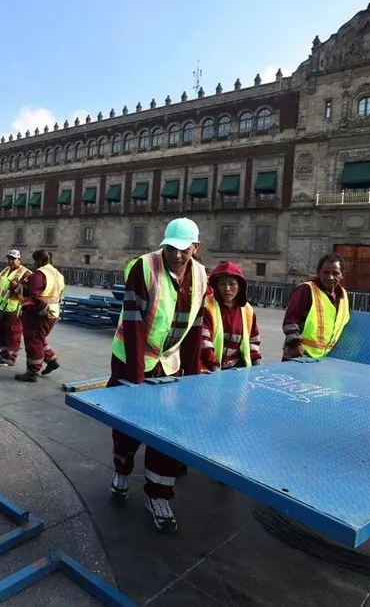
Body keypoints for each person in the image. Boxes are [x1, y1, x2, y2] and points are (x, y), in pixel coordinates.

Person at [107, 218, 209, 533]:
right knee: (128, 424)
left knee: (167, 430)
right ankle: (122, 471)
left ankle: (158, 494)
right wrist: (137, 378)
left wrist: (191, 376)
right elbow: (134, 321)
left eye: (184, 249)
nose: (177, 255)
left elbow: (196, 325)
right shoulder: (144, 268)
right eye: (171, 248)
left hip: (170, 362)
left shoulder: (201, 275)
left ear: (195, 248)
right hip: (132, 358)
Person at [282, 253, 351, 361]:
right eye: (326, 272)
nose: (330, 277)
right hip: (299, 356)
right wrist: (296, 345)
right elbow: (290, 321)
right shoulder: (305, 290)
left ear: (342, 274)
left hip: (325, 358)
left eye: (335, 273)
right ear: (319, 272)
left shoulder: (343, 296)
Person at [199, 261, 262, 371]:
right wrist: (213, 365)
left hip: (237, 366)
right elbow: (203, 340)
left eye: (232, 284)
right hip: (209, 367)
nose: (227, 288)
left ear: (239, 287)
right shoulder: (206, 306)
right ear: (216, 287)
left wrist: (256, 361)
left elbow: (253, 339)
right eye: (222, 284)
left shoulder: (247, 309)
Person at [13, 250, 65, 382]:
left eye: (35, 261)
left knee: (34, 341)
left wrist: (42, 307)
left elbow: (35, 295)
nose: (34, 264)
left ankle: (32, 372)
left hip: (39, 314)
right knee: (39, 338)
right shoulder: (58, 274)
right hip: (53, 312)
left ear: (39, 261)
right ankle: (51, 360)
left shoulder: (40, 274)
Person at [0, 250, 31, 367]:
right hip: (0, 306)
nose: (10, 261)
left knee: (13, 333)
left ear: (19, 260)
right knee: (2, 332)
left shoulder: (26, 273)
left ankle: (10, 358)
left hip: (14, 309)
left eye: (13, 259)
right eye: (9, 259)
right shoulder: (5, 271)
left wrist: (18, 287)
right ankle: (3, 354)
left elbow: (29, 291)